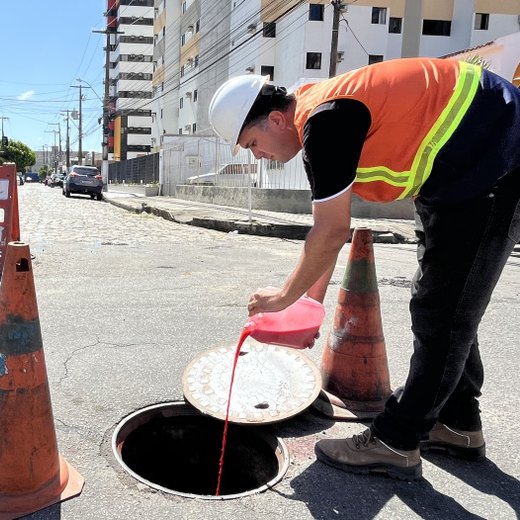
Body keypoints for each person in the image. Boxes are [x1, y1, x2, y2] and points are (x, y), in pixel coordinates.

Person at [209, 57, 520, 481]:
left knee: (443, 312)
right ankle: (458, 421)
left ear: (277, 120)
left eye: (252, 143)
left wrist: (283, 299)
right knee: (445, 302)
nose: (259, 156)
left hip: (494, 158)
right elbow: (331, 231)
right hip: (455, 177)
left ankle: (395, 441)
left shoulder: (326, 121)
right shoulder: (317, 119)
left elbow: (331, 231)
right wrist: (309, 306)